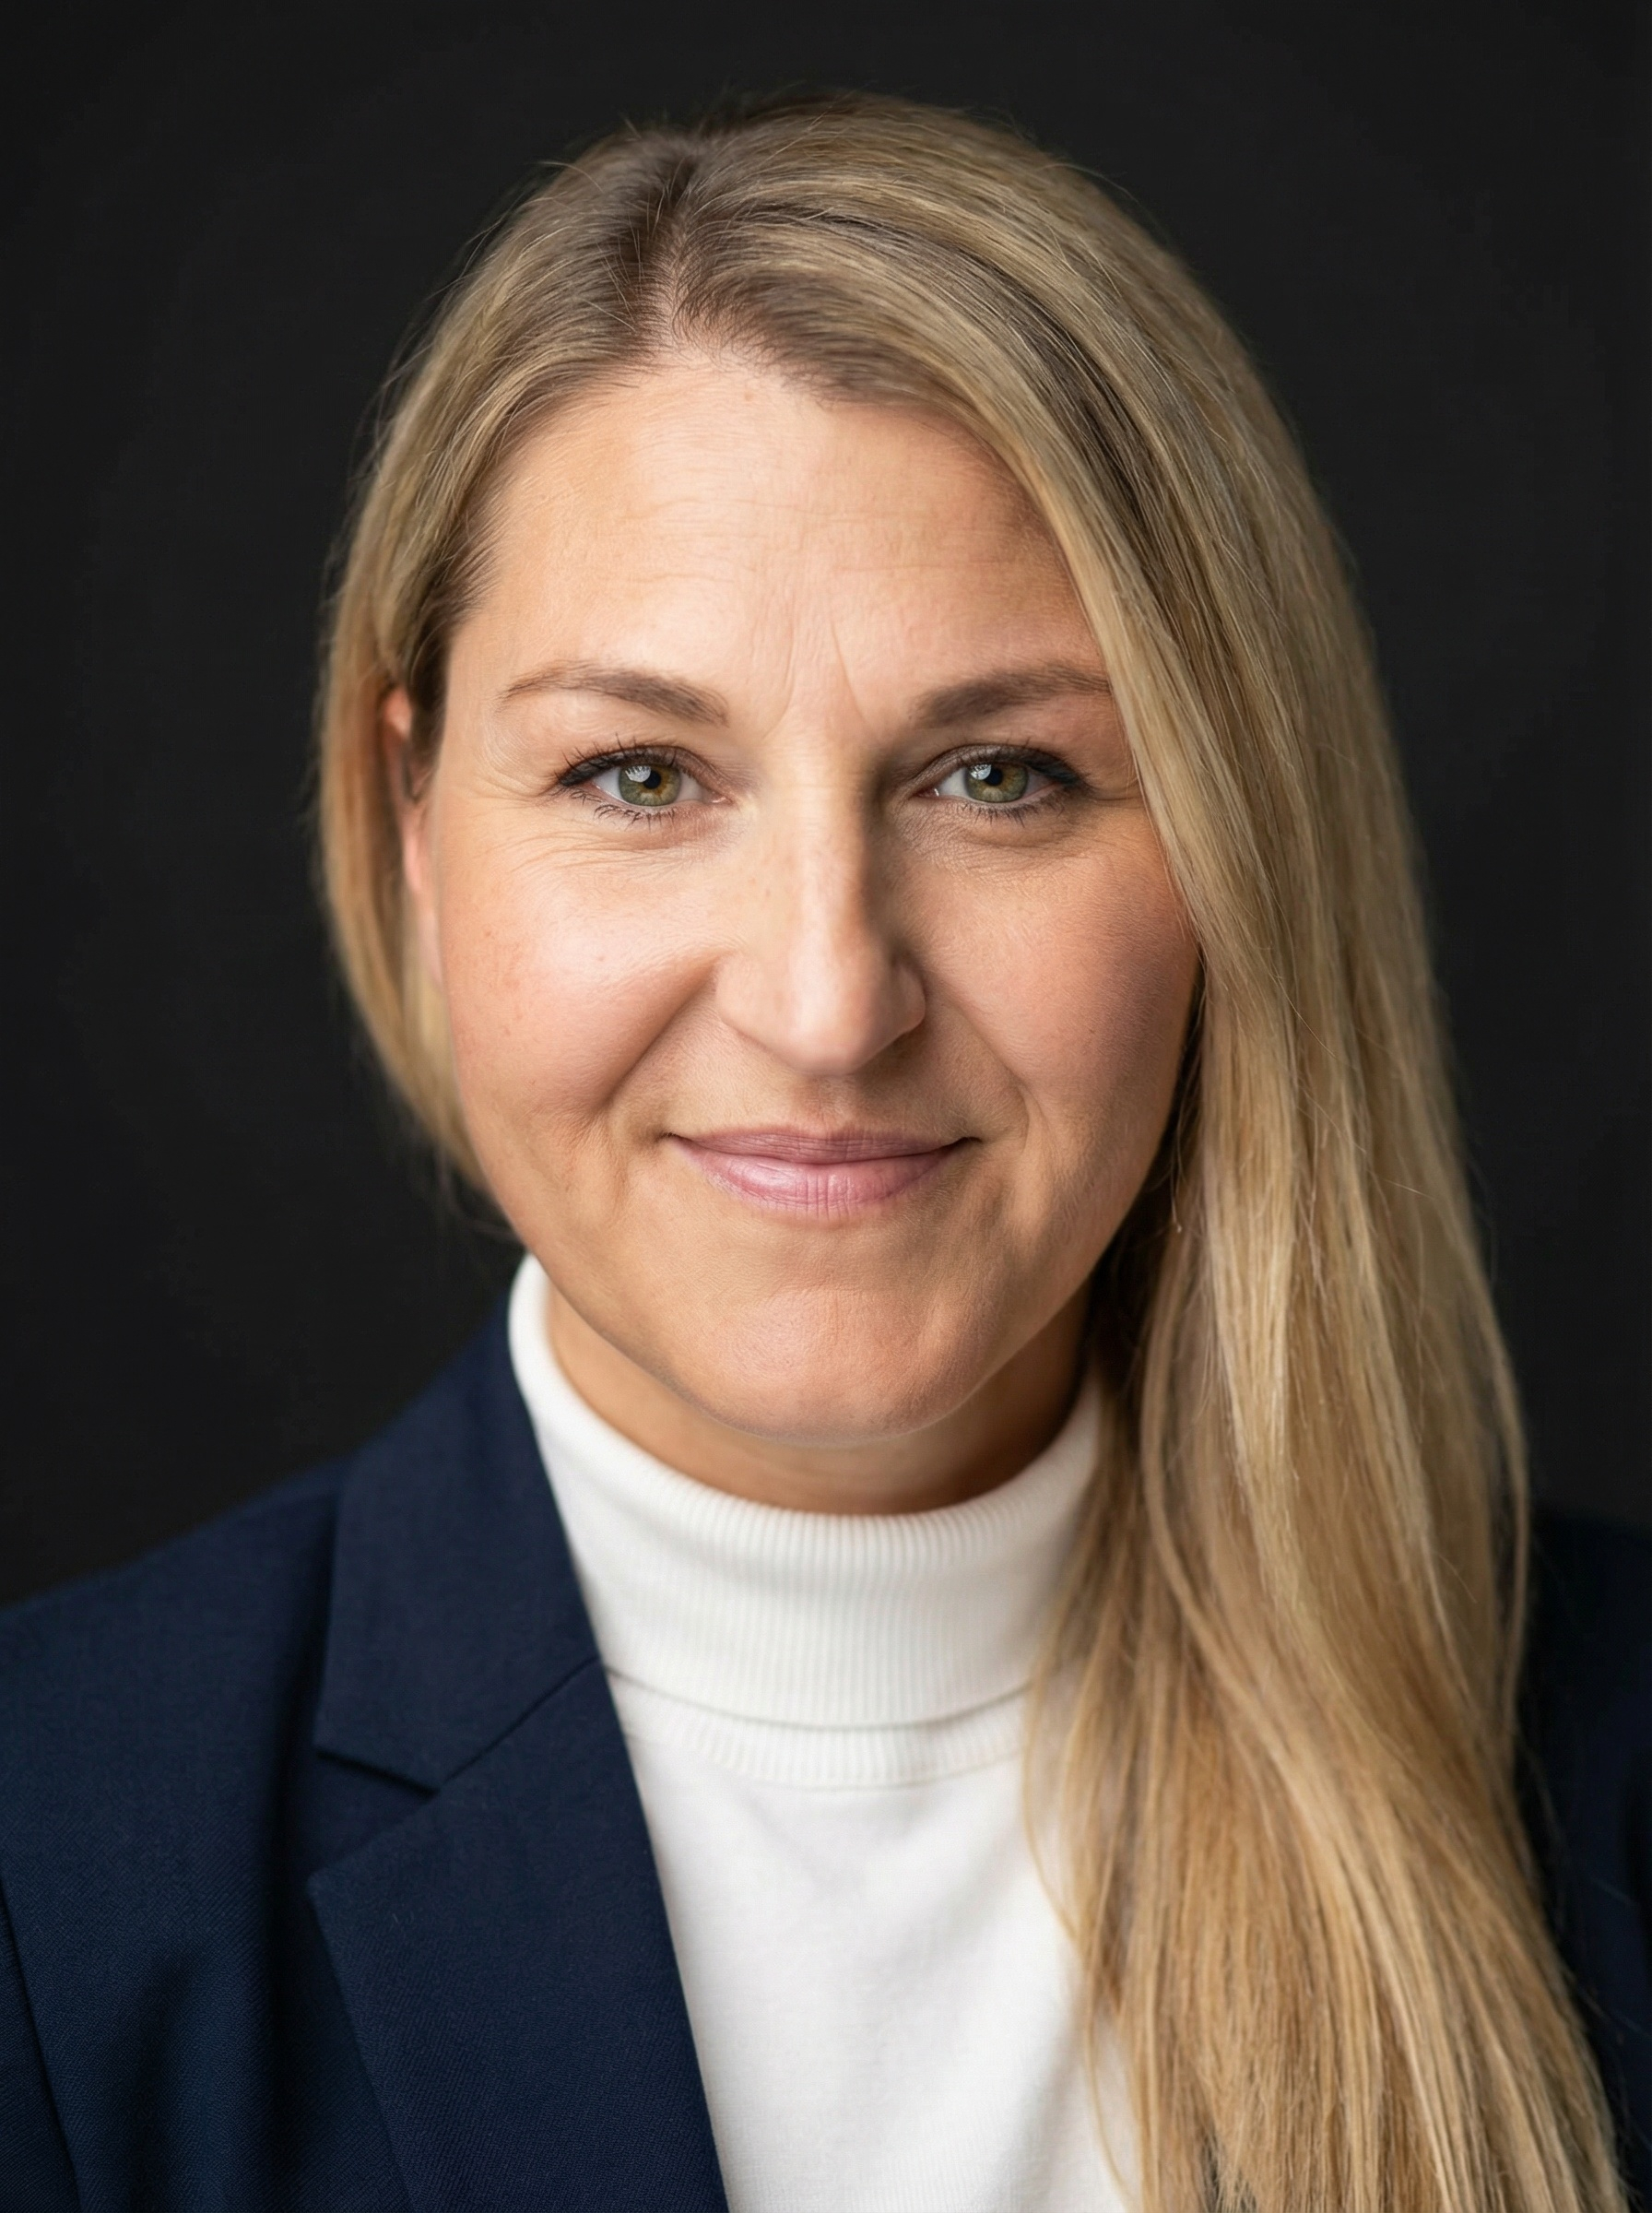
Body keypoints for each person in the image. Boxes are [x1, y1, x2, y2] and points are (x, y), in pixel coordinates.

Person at [0, 92, 1644, 2213]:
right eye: (635, 773)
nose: (823, 998)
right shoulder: (51, 1860)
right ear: (413, 829)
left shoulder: (1601, 1787)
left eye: (996, 774)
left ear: (1243, 851)